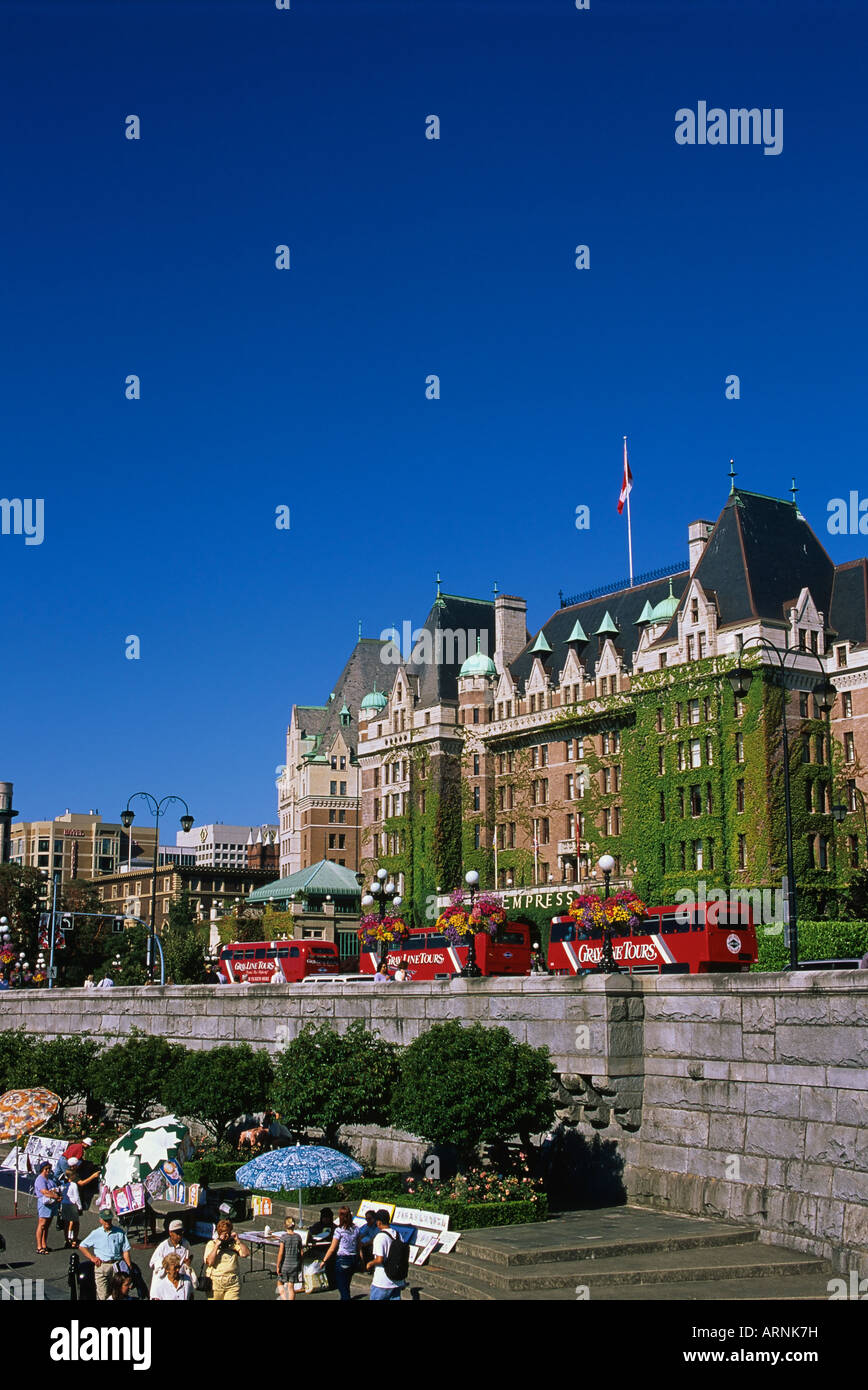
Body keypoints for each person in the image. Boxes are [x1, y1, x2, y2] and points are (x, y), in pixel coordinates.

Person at [79, 1209, 133, 1301]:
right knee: (103, 1295)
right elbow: (82, 1246)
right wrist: (92, 1258)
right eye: (105, 1220)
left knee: (117, 1294)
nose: (107, 1222)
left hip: (116, 1266)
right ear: (100, 1220)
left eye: (109, 1219)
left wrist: (129, 1267)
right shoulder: (96, 1233)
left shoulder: (119, 1232)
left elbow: (125, 1251)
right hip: (102, 1266)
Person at [203, 1219, 249, 1301]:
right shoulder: (212, 1244)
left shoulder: (233, 1244)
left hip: (233, 1283)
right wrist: (217, 1245)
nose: (226, 1235)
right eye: (223, 1232)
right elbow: (209, 1262)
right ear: (219, 1233)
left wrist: (238, 1241)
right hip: (215, 1284)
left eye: (228, 1232)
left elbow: (245, 1254)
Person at [321, 1205, 360, 1302]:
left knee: (342, 1286)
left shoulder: (339, 1230)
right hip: (353, 1258)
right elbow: (359, 1246)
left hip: (343, 1258)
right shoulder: (356, 1229)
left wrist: (324, 1260)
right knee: (346, 1284)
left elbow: (332, 1248)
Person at [148, 1219, 195, 1297]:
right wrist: (165, 1266)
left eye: (181, 1232)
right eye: (177, 1233)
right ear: (170, 1233)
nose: (180, 1235)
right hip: (166, 1280)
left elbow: (190, 1255)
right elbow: (152, 1263)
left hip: (181, 1278)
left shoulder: (185, 1243)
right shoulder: (163, 1246)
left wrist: (188, 1261)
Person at [367, 1209, 406, 1301]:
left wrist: (370, 1264)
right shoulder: (398, 1235)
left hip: (382, 1282)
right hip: (396, 1281)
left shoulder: (380, 1237)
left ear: (379, 1222)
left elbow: (379, 1259)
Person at [34, 1161, 61, 1255]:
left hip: (52, 1204)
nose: (48, 1171)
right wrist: (55, 1196)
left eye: (49, 1169)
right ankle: (39, 1246)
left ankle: (44, 1244)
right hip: (44, 1204)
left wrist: (57, 1194)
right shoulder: (40, 1179)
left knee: (47, 1226)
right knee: (42, 1224)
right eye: (46, 1169)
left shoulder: (50, 1178)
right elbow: (44, 1192)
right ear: (42, 1169)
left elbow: (55, 1188)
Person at [275, 1216, 303, 1301]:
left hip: (285, 1265)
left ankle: (284, 1298)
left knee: (280, 1282)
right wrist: (300, 1263)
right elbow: (301, 1252)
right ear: (294, 1226)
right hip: (294, 1264)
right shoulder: (298, 1237)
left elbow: (281, 1253)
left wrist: (278, 1265)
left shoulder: (283, 1237)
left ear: (285, 1225)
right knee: (291, 1286)